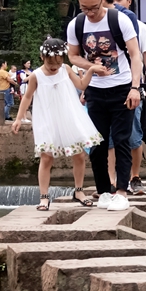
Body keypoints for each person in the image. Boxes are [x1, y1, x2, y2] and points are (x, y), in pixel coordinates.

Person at [66, 0, 142, 210]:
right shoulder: (76, 25)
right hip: (95, 91)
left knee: (121, 139)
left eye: (94, 8)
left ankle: (121, 191)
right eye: (84, 8)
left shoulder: (119, 20)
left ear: (103, 1)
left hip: (121, 87)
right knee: (97, 143)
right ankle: (103, 191)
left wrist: (135, 87)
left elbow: (135, 55)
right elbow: (73, 56)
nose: (90, 13)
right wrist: (91, 67)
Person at [11, 38, 101, 210]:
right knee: (46, 157)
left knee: (80, 154)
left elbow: (81, 84)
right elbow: (28, 97)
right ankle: (44, 197)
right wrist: (18, 118)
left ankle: (79, 191)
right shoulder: (36, 75)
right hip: (47, 119)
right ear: (42, 57)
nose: (54, 66)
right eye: (51, 62)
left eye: (58, 62)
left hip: (68, 116)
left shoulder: (65, 70)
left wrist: (91, 70)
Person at [112, 0, 146, 196]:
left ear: (129, 2)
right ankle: (112, 180)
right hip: (106, 88)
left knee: (133, 136)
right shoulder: (102, 27)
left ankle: (135, 177)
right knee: (109, 138)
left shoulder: (140, 27)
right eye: (111, 0)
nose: (115, 3)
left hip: (133, 88)